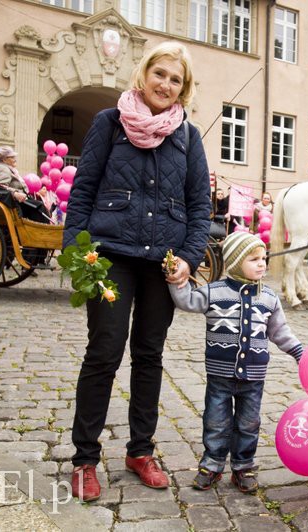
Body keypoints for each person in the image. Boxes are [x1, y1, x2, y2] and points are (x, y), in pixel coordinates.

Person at [63, 41, 211, 502]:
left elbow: (199, 205)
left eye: (175, 80)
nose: (165, 85)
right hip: (110, 257)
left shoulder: (188, 136)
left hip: (162, 263)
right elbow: (83, 192)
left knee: (149, 355)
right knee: (104, 351)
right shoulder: (110, 124)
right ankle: (85, 458)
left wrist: (189, 255)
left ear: (183, 89)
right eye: (160, 74)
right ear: (143, 75)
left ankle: (139, 450)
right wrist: (75, 252)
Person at [169, 232, 303, 493]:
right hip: (220, 375)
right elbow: (186, 301)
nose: (262, 264)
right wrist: (176, 279)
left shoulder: (269, 298)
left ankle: (243, 467)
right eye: (254, 259)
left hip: (253, 376)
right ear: (234, 261)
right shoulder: (213, 292)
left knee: (249, 423)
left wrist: (299, 352)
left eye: (263, 258)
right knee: (216, 421)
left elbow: (279, 332)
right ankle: (212, 464)